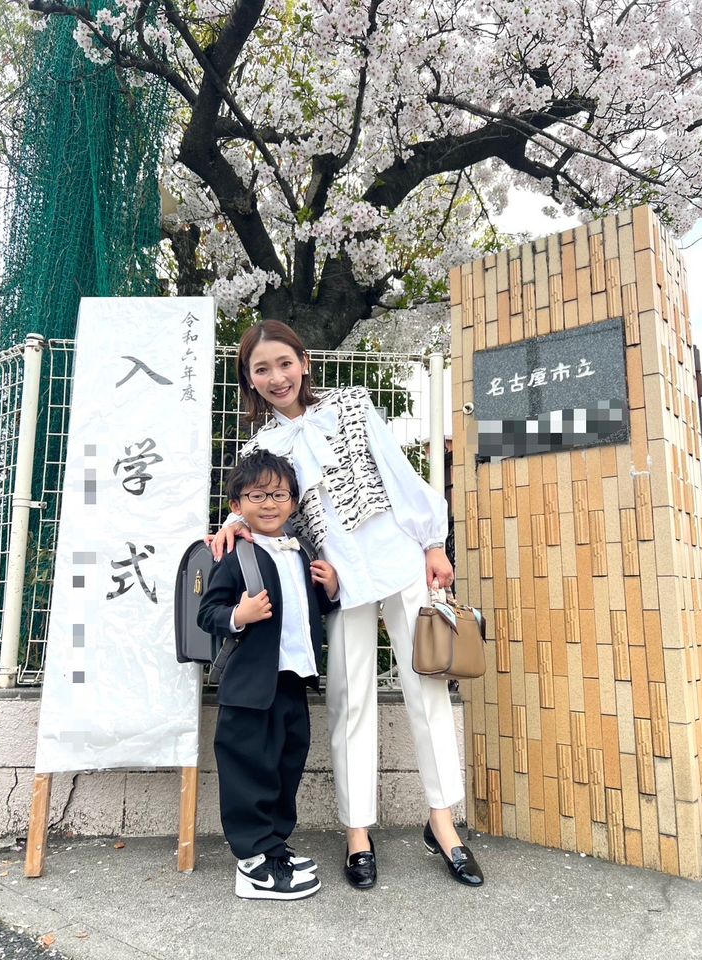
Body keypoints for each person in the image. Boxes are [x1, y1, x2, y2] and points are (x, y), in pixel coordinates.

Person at [210, 319, 483, 890]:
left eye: (285, 363)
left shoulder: (352, 405)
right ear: (250, 380)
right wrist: (233, 524)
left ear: (304, 362)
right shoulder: (260, 448)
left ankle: (443, 823)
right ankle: (358, 833)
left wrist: (433, 543)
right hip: (337, 579)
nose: (277, 377)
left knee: (427, 688)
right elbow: (259, 507)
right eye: (262, 369)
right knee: (350, 699)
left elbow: (397, 472)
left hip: (398, 559)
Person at [198, 449, 339, 900]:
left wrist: (331, 589)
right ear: (236, 506)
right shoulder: (236, 555)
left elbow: (311, 609)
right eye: (256, 495)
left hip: (292, 681)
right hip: (249, 687)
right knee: (248, 770)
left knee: (285, 765)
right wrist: (238, 615)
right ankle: (253, 863)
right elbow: (208, 612)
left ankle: (274, 847)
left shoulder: (301, 553)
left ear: (294, 503)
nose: (269, 504)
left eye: (279, 495)